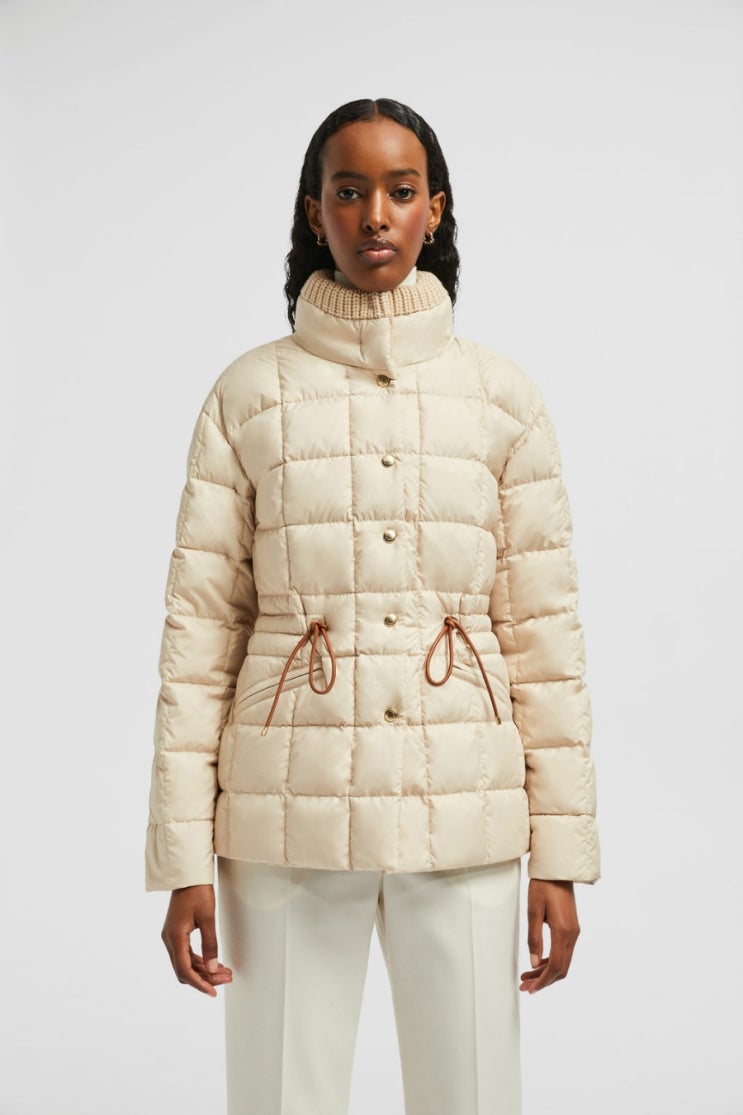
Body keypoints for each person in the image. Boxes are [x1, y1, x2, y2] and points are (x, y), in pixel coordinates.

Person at [145, 97, 600, 1115]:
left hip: (464, 811)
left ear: (434, 210)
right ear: (315, 212)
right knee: (280, 1097)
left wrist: (562, 856)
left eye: (400, 190)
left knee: (471, 1097)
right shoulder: (248, 396)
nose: (375, 215)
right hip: (282, 817)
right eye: (348, 192)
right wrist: (181, 860)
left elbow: (543, 640)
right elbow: (198, 639)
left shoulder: (500, 397)